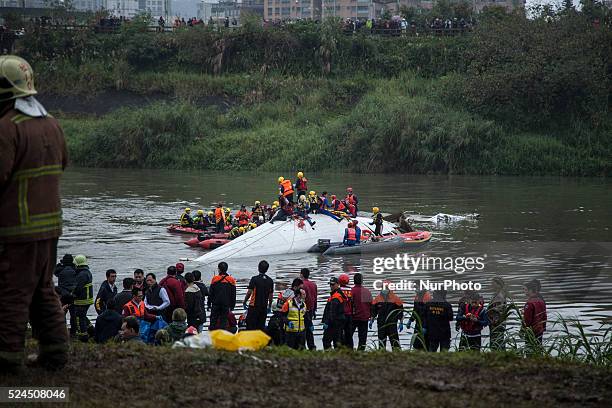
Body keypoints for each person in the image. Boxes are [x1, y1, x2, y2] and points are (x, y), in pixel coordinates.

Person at [0, 55, 69, 371]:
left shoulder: (7, 127)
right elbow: (63, 165)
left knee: (11, 291)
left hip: (17, 228)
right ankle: (54, 353)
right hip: (51, 226)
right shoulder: (52, 123)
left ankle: (8, 359)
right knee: (43, 289)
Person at [243, 260, 274, 331]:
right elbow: (271, 296)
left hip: (254, 307)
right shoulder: (270, 281)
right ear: (267, 269)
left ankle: (250, 341)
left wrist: (244, 301)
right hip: (264, 307)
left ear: (258, 268)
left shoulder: (254, 279)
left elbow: (249, 292)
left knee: (251, 327)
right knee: (260, 327)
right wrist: (269, 306)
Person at [371, 284, 404, 350]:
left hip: (392, 324)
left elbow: (400, 311)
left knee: (395, 343)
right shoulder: (377, 299)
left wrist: (401, 322)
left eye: (386, 288)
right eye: (383, 288)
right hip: (381, 324)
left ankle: (398, 355)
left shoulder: (395, 298)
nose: (385, 290)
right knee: (381, 343)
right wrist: (372, 320)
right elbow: (374, 311)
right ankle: (382, 355)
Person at [209, 262, 236, 330]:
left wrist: (209, 304)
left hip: (215, 304)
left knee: (213, 321)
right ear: (226, 269)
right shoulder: (231, 280)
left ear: (219, 269)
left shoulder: (215, 279)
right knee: (224, 322)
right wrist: (232, 306)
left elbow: (211, 293)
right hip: (226, 305)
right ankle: (222, 336)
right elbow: (233, 295)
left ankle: (212, 337)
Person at [72, 254, 94, 342]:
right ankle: (92, 331)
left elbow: (77, 288)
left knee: (79, 318)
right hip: (86, 300)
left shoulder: (82, 274)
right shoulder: (86, 272)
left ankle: (83, 336)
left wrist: (72, 295)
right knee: (83, 316)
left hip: (82, 300)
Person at [322, 277, 346, 350]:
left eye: (333, 284)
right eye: (330, 284)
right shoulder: (336, 294)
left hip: (333, 322)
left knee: (326, 340)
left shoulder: (336, 297)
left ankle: (329, 357)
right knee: (337, 341)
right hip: (338, 321)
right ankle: (337, 356)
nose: (331, 286)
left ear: (338, 284)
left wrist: (327, 322)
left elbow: (332, 312)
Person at [523, 279, 547, 347]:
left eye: (525, 290)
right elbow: (544, 316)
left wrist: (523, 330)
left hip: (531, 331)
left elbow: (527, 320)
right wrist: (543, 328)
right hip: (539, 330)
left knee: (530, 349)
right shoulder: (541, 301)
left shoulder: (529, 303)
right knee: (538, 348)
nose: (524, 292)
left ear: (530, 290)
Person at [351, 273, 372, 350]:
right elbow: (370, 305)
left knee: (348, 335)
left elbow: (350, 304)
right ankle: (361, 352)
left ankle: (349, 350)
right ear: (362, 281)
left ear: (354, 281)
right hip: (364, 318)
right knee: (362, 338)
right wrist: (371, 316)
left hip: (354, 318)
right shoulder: (366, 291)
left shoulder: (352, 291)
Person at [488, 277, 509, 351]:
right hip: (497, 324)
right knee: (498, 343)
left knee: (496, 343)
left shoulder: (499, 297)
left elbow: (498, 312)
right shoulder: (497, 295)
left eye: (493, 283)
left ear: (498, 285)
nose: (491, 285)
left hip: (497, 325)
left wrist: (493, 322)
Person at [300, 268, 318, 350]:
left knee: (302, 329)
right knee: (309, 329)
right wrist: (314, 310)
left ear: (301, 274)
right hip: (311, 309)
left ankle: (302, 346)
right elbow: (315, 298)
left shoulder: (301, 285)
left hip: (303, 310)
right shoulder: (314, 284)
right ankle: (312, 346)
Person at [338, 273, 354, 348]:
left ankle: (341, 347)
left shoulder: (338, 291)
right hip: (349, 314)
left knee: (340, 332)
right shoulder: (351, 290)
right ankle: (350, 347)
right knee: (349, 333)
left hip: (341, 314)